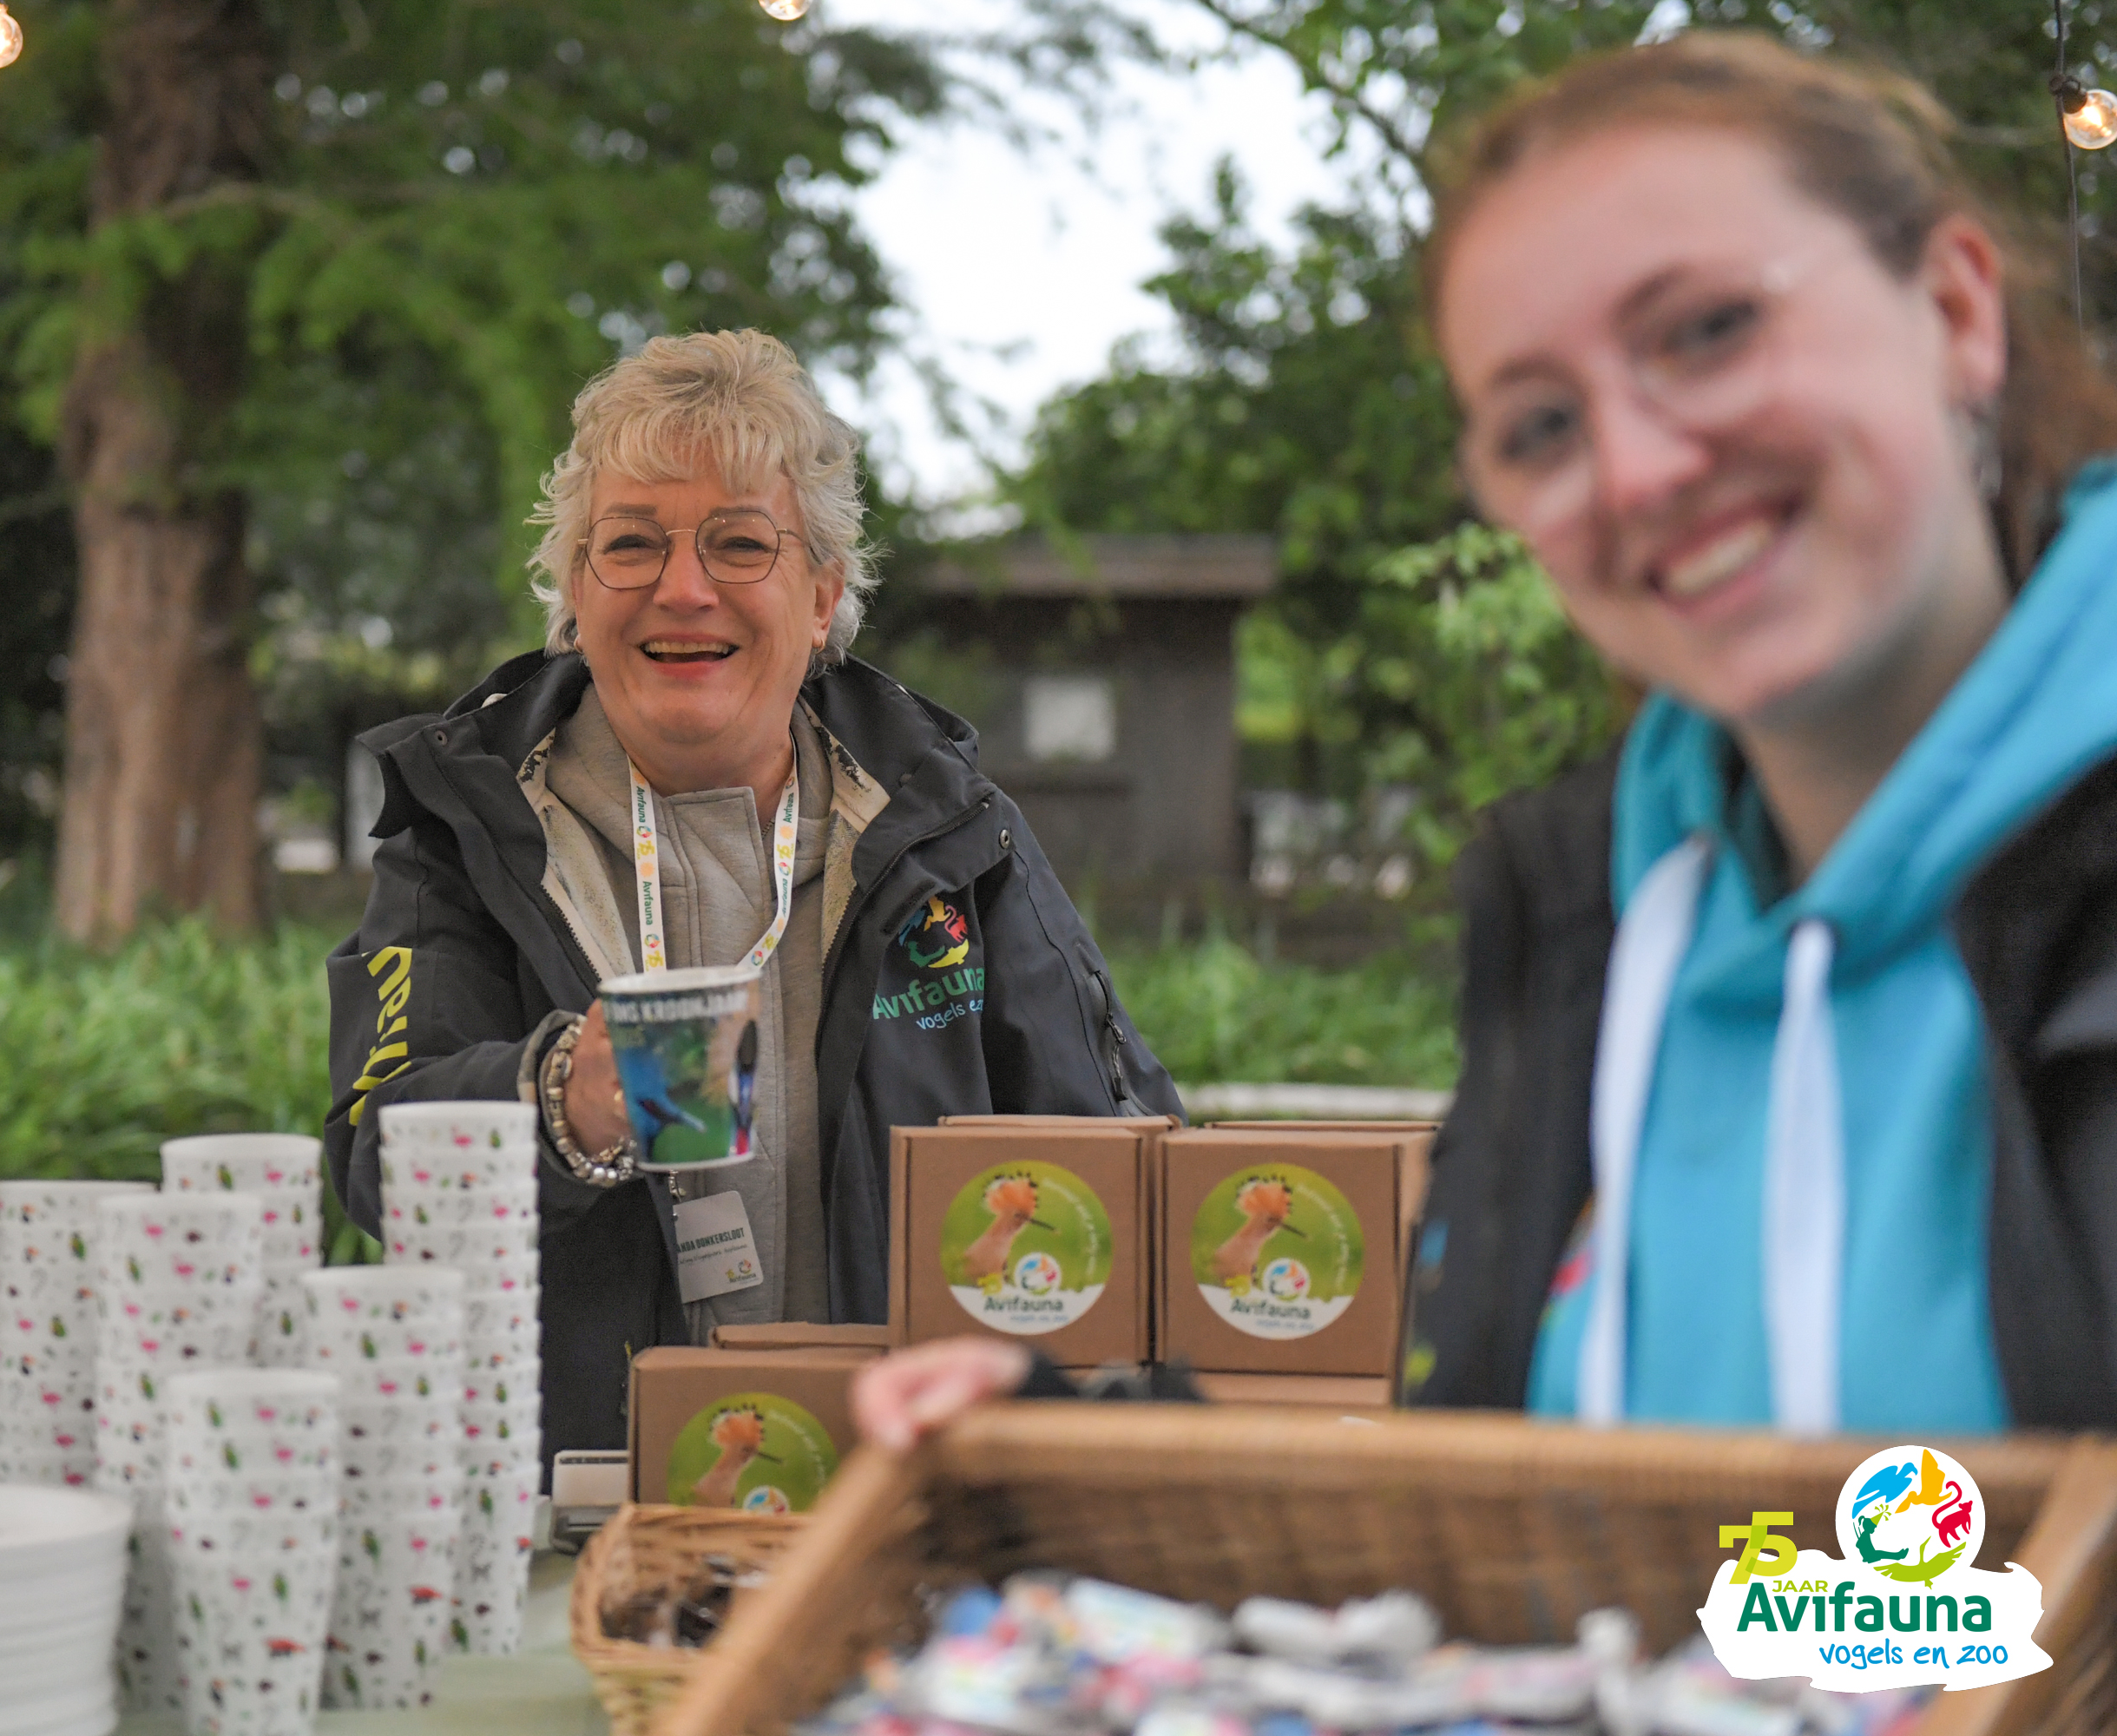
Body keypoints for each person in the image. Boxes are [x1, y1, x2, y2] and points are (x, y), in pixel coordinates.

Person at [857, 31, 2117, 1447]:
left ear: (1955, 309)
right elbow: (1484, 1493)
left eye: (1708, 331)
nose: (1637, 471)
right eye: (1539, 426)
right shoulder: (1603, 907)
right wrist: (1071, 1461)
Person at [325, 330, 1181, 1456]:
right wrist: (560, 1101)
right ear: (577, 592)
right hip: (585, 1509)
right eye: (631, 544)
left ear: (822, 597)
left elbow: (1119, 1160)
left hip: (896, 1492)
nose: (683, 590)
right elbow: (378, 1164)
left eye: (739, 543)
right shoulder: (468, 828)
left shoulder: (954, 836)